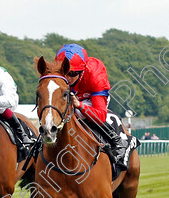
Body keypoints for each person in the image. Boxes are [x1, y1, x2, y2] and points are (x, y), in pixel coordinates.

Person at [55, 43, 130, 171]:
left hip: (91, 97)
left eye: (72, 73)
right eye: (64, 72)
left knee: (79, 114)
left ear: (82, 71)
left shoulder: (95, 75)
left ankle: (116, 140)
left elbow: (100, 116)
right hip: (70, 96)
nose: (67, 77)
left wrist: (79, 105)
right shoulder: (57, 74)